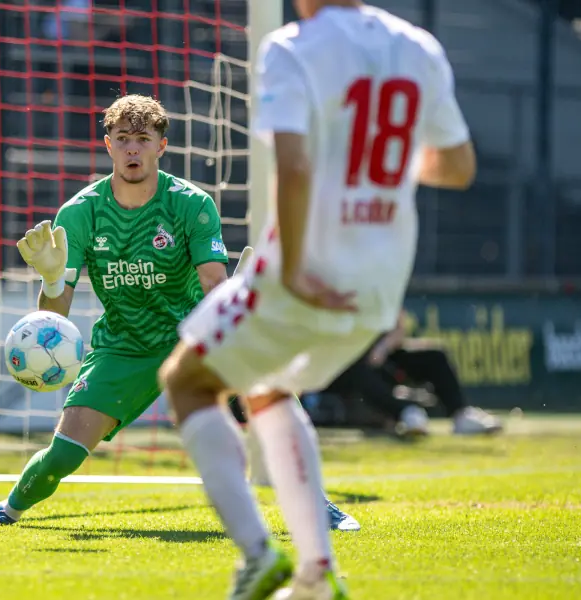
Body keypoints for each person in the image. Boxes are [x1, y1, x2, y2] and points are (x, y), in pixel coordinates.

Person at [157, 0, 478, 598]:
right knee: (267, 386)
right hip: (380, 282)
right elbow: (459, 167)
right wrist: (373, 165)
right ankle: (317, 575)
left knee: (186, 381)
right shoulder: (418, 47)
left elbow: (295, 165)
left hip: (308, 271)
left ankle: (258, 556)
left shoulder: (292, 47)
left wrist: (297, 268)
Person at [0, 94, 357, 532]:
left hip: (193, 334)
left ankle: (314, 501)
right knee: (64, 453)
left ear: (161, 146)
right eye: (122, 138)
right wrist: (51, 281)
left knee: (266, 394)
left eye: (142, 139)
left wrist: (238, 306)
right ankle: (5, 511)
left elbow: (213, 284)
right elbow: (54, 319)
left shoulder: (191, 204)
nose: (132, 149)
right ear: (108, 145)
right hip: (124, 345)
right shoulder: (80, 212)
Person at [325, 311, 503, 436]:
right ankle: (407, 414)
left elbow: (399, 326)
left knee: (435, 357)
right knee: (358, 370)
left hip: (382, 355)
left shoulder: (379, 281)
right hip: (342, 362)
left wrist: (383, 348)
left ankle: (460, 415)